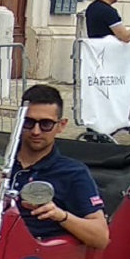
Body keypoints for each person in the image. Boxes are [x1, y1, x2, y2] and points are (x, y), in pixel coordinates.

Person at [9, 85, 110, 249]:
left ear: (61, 125)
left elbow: (101, 237)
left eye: (46, 124)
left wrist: (59, 215)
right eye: (28, 122)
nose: (36, 131)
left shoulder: (73, 173)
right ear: (19, 122)